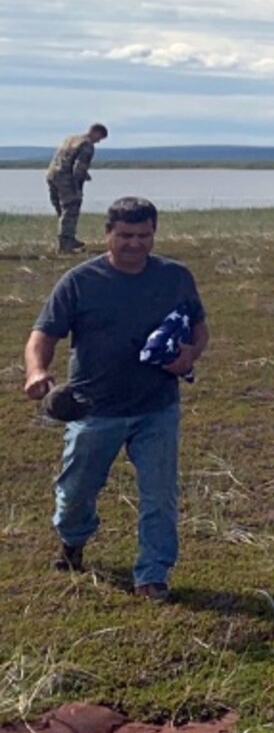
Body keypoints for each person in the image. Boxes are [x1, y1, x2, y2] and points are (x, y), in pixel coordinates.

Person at [21, 196, 209, 603]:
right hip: (93, 408)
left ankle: (152, 575)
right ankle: (72, 541)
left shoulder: (175, 276)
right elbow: (43, 335)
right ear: (107, 234)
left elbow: (199, 327)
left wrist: (190, 356)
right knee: (75, 493)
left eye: (144, 235)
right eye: (125, 235)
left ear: (154, 234)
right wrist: (37, 371)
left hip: (157, 407)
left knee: (159, 495)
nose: (135, 243)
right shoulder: (79, 282)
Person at [46, 123, 108, 253]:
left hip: (52, 176)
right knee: (70, 209)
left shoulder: (70, 139)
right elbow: (79, 168)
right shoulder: (86, 144)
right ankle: (65, 244)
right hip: (67, 180)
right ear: (96, 132)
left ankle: (69, 238)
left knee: (62, 210)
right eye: (100, 138)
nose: (99, 141)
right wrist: (79, 185)